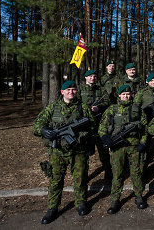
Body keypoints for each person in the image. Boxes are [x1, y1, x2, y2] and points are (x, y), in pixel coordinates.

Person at [33, 80, 94, 224]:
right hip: (58, 152)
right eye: (68, 90)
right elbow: (36, 125)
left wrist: (91, 145)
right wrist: (43, 130)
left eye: (73, 90)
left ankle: (81, 203)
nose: (71, 92)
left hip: (78, 151)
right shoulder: (52, 108)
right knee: (55, 180)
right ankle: (52, 208)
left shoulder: (83, 108)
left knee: (80, 179)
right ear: (62, 92)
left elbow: (92, 127)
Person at [98, 85, 148, 214]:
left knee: (136, 172)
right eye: (123, 94)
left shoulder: (137, 109)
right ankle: (115, 200)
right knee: (117, 174)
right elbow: (102, 127)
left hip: (134, 146)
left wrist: (142, 142)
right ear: (119, 96)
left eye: (128, 94)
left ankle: (138, 197)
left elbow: (145, 128)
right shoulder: (112, 110)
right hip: (117, 147)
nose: (126, 96)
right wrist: (105, 137)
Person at [78, 69, 112, 179]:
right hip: (85, 125)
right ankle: (84, 173)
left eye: (94, 76)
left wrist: (99, 107)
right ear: (86, 78)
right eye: (90, 76)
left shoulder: (101, 90)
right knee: (86, 151)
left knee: (103, 149)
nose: (92, 78)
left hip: (98, 123)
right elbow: (76, 103)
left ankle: (108, 170)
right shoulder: (80, 89)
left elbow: (107, 101)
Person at [133, 72, 154, 178]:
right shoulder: (142, 93)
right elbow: (136, 108)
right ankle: (142, 171)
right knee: (144, 147)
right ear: (148, 82)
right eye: (152, 81)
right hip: (146, 124)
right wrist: (146, 114)